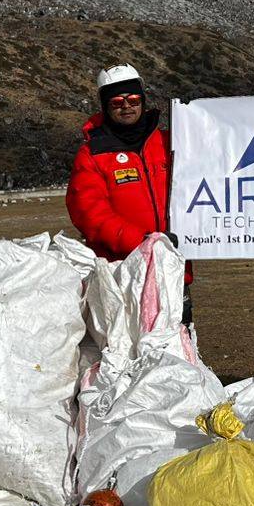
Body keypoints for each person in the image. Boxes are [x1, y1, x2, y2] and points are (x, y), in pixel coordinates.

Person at [66, 64, 192, 322]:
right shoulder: (92, 154)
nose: (127, 106)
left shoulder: (172, 142)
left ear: (143, 101)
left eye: (133, 99)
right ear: (105, 105)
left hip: (173, 269)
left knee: (179, 341)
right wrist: (143, 242)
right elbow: (91, 215)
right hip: (122, 272)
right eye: (117, 101)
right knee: (130, 349)